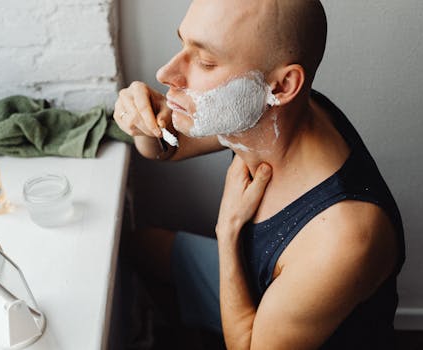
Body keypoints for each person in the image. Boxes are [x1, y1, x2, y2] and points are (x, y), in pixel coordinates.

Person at [114, 0, 405, 349]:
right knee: (138, 248)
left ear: (282, 87)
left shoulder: (342, 239)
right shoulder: (260, 111)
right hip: (255, 275)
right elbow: (167, 147)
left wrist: (228, 233)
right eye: (183, 44)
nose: (166, 74)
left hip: (268, 326)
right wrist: (139, 120)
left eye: (206, 61)